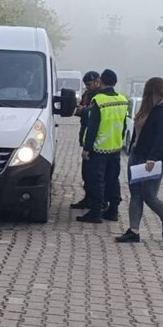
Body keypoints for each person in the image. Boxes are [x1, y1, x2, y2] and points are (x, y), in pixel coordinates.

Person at [117, 78, 163, 243]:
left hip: (153, 159)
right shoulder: (144, 109)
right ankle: (133, 231)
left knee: (150, 196)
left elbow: (161, 137)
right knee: (136, 194)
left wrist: (153, 157)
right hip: (136, 155)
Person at [78, 68, 128, 224]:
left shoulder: (98, 100)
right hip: (115, 147)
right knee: (112, 179)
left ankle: (95, 212)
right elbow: (124, 124)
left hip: (99, 148)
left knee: (96, 180)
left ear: (101, 81)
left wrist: (87, 148)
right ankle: (113, 210)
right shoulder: (122, 99)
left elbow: (93, 127)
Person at [69, 71, 102, 210]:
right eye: (86, 85)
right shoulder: (86, 95)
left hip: (98, 141)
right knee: (86, 174)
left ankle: (98, 203)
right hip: (86, 135)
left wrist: (85, 110)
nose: (87, 87)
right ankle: (88, 199)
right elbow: (82, 112)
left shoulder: (101, 97)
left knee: (97, 177)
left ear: (97, 81)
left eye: (89, 84)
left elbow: (93, 113)